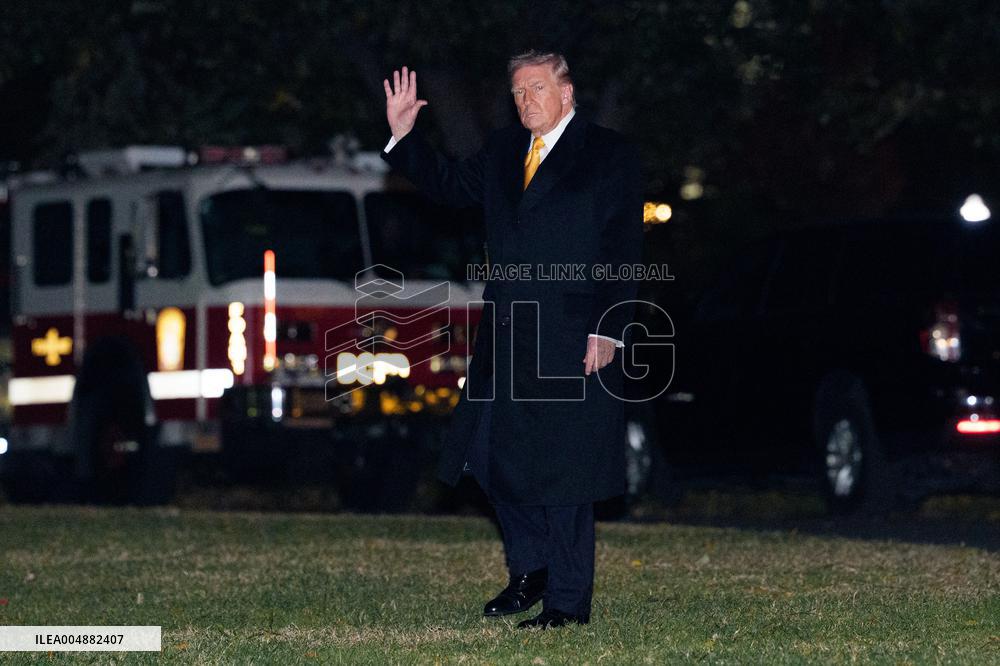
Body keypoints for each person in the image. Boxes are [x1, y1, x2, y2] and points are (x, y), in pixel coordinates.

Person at [381, 51, 643, 629]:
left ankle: (568, 603)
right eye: (519, 92)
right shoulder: (504, 152)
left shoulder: (609, 155)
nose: (527, 101)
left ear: (567, 92)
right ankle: (530, 571)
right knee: (491, 455)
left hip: (574, 336)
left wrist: (609, 329)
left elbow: (623, 251)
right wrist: (405, 136)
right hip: (506, 333)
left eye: (538, 89)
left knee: (564, 470)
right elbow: (449, 186)